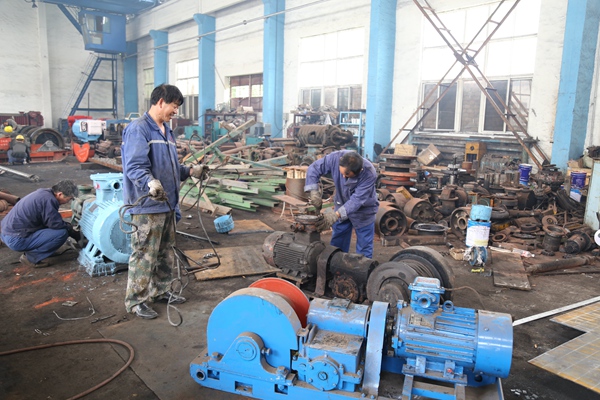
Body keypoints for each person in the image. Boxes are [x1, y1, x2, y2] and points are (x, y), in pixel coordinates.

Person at [121, 84, 208, 320]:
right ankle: (136, 300)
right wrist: (150, 183)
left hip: (168, 203)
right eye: (174, 106)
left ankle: (160, 291)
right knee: (144, 254)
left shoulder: (166, 131)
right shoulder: (139, 129)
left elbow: (170, 167)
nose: (176, 111)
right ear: (160, 102)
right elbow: (134, 166)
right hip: (147, 206)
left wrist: (190, 171)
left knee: (164, 253)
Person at [305, 150, 379, 258]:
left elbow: (356, 200)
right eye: (343, 173)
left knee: (364, 246)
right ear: (340, 162)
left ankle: (363, 267)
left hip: (363, 209)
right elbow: (314, 168)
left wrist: (335, 215)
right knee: (337, 243)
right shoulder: (334, 158)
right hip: (341, 202)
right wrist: (313, 191)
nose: (344, 177)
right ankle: (336, 264)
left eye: (348, 175)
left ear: (360, 170)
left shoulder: (369, 173)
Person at [0, 180, 80, 268]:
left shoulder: (44, 193)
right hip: (15, 239)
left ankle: (44, 251)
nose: (67, 202)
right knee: (62, 233)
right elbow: (55, 224)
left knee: (55, 229)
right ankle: (31, 258)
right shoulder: (49, 200)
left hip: (6, 233)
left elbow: (48, 221)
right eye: (68, 199)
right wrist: (71, 230)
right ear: (60, 194)